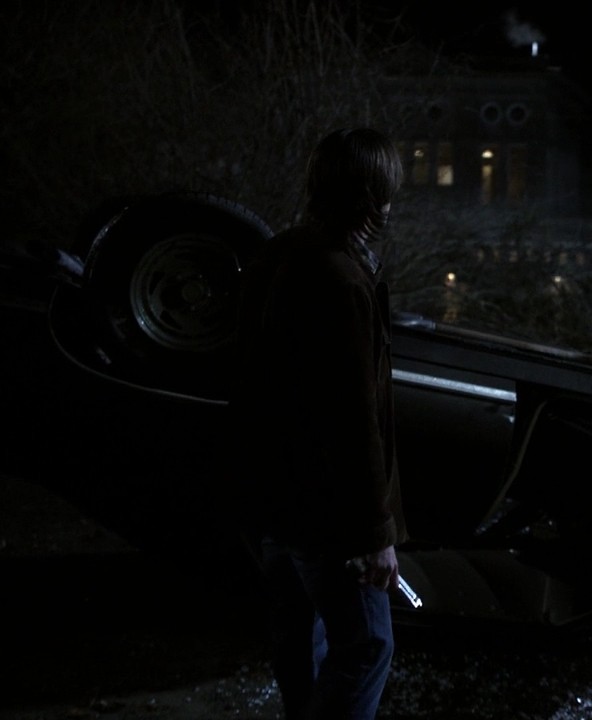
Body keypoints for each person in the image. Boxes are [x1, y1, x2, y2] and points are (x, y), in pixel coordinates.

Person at [230, 127, 408, 720]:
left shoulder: (278, 256)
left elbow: (246, 383)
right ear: (372, 196)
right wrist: (375, 534)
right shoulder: (340, 278)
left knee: (302, 645)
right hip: (327, 519)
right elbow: (352, 419)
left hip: (273, 505)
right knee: (366, 647)